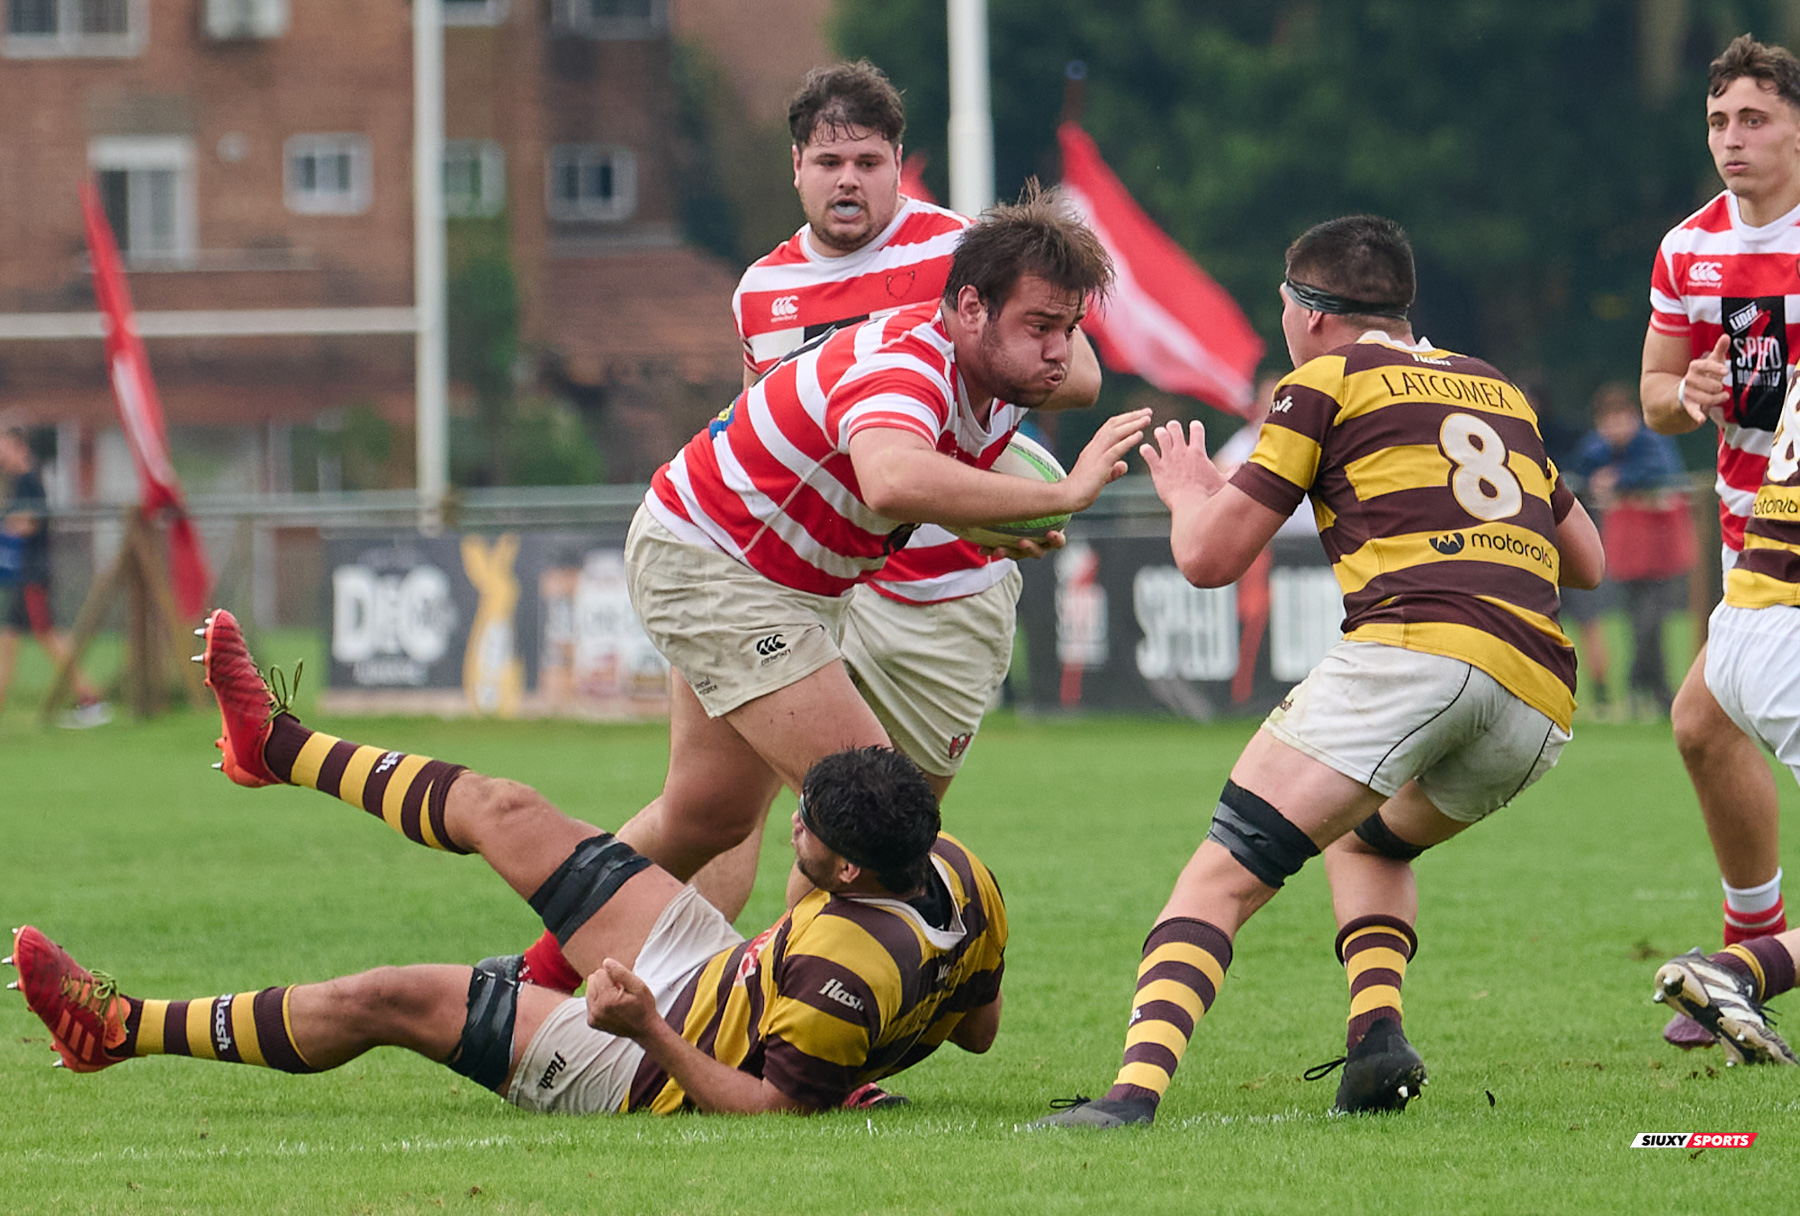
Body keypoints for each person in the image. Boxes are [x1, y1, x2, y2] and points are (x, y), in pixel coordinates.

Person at [474, 195, 1146, 1012]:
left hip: (773, 574)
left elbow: (1066, 387)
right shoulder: (911, 365)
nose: (1058, 350)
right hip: (718, 566)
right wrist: (1065, 490)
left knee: (704, 815)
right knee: (877, 817)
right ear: (969, 308)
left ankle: (527, 984)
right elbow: (892, 476)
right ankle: (780, 1033)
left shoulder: (991, 363)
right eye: (1041, 325)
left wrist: (1002, 507)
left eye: (1069, 327)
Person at [1033, 215, 1604, 1128]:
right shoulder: (1497, 388)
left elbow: (1212, 559)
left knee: (1225, 870)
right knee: (1366, 837)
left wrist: (1189, 493)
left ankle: (1130, 1096)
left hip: (1417, 648)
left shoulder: (1323, 379)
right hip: (1537, 695)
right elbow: (1588, 560)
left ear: (1309, 314)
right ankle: (1377, 1041)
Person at [4, 609, 1008, 1114]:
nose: (796, 829)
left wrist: (653, 1030)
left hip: (643, 1067)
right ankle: (276, 748)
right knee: (505, 806)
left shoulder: (849, 972)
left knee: (389, 995)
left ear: (845, 874)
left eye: (808, 836)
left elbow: (771, 1113)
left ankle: (120, 1029)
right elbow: (978, 1031)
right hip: (721, 977)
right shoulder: (959, 874)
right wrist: (857, 1049)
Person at [673, 60, 1102, 924]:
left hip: (945, 590)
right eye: (829, 162)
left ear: (897, 163)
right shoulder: (762, 289)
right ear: (796, 165)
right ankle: (685, 1000)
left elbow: (1079, 375)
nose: (848, 180)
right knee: (719, 812)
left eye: (868, 162)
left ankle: (781, 1011)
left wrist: (940, 430)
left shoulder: (959, 250)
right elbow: (771, 421)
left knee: (872, 837)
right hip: (804, 578)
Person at [1641, 33, 1800, 1046]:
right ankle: (1753, 944)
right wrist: (1684, 394)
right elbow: (1656, 394)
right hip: (1754, 543)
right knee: (1701, 725)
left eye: (1754, 120)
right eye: (1717, 122)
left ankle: (1749, 957)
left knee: (1708, 717)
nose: (1731, 141)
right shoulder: (1686, 249)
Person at [1568, 382, 1694, 718]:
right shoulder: (1601, 448)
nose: (1614, 429)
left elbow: (1660, 471)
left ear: (1634, 418)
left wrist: (1617, 479)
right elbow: (1581, 466)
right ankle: (1657, 693)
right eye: (1607, 423)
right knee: (1637, 622)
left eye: (1620, 420)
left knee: (1649, 623)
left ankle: (1643, 685)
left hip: (1662, 551)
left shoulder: (1653, 443)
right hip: (1627, 552)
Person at [0, 426, 107, 727]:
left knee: (48, 636)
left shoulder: (29, 479)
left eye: (2, 445)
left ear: (17, 446)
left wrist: (8, 526)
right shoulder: (19, 480)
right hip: (23, 572)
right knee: (7, 638)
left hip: (34, 573)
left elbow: (32, 523)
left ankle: (91, 698)